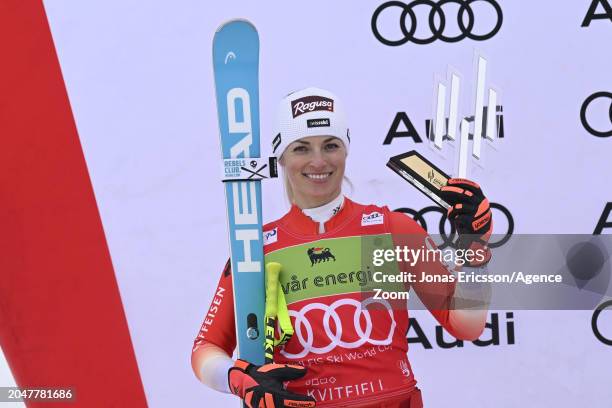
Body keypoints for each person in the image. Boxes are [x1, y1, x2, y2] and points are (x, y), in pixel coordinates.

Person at [191, 87, 493, 408]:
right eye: (302, 148)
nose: (318, 161)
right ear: (282, 157)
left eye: (330, 145)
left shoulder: (391, 230)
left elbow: (466, 325)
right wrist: (238, 378)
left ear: (346, 151)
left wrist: (474, 248)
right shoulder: (258, 249)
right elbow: (205, 348)